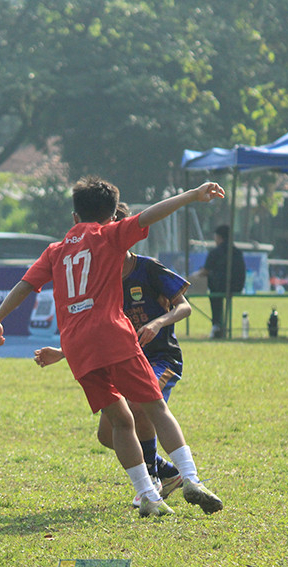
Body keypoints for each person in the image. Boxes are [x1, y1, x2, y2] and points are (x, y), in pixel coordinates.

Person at [0, 176, 225, 517]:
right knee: (156, 408)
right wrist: (190, 195)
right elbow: (149, 216)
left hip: (77, 344)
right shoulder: (110, 236)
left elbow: (25, 285)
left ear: (74, 217)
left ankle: (149, 496)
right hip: (112, 335)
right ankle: (190, 478)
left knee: (119, 422)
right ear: (113, 216)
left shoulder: (55, 251)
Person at [34, 204, 188, 508]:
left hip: (158, 357)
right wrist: (63, 353)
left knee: (140, 407)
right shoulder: (95, 274)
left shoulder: (148, 268)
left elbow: (184, 305)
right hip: (116, 357)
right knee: (108, 434)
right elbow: (95, 330)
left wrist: (158, 323)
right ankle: (168, 473)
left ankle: (155, 479)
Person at [191, 224, 244, 338]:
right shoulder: (237, 252)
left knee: (213, 289)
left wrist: (193, 276)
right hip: (238, 286)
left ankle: (216, 323)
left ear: (219, 237)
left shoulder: (216, 251)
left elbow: (205, 271)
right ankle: (218, 324)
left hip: (221, 287)